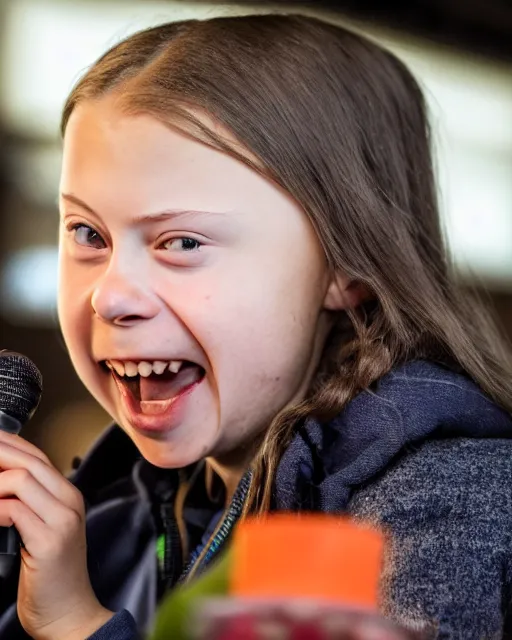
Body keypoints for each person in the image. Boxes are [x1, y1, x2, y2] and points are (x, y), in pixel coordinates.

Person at [0, 13, 511, 640]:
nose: (109, 297)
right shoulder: (117, 519)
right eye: (88, 234)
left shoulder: (441, 509)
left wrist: (80, 627)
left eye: (181, 241)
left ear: (345, 265)